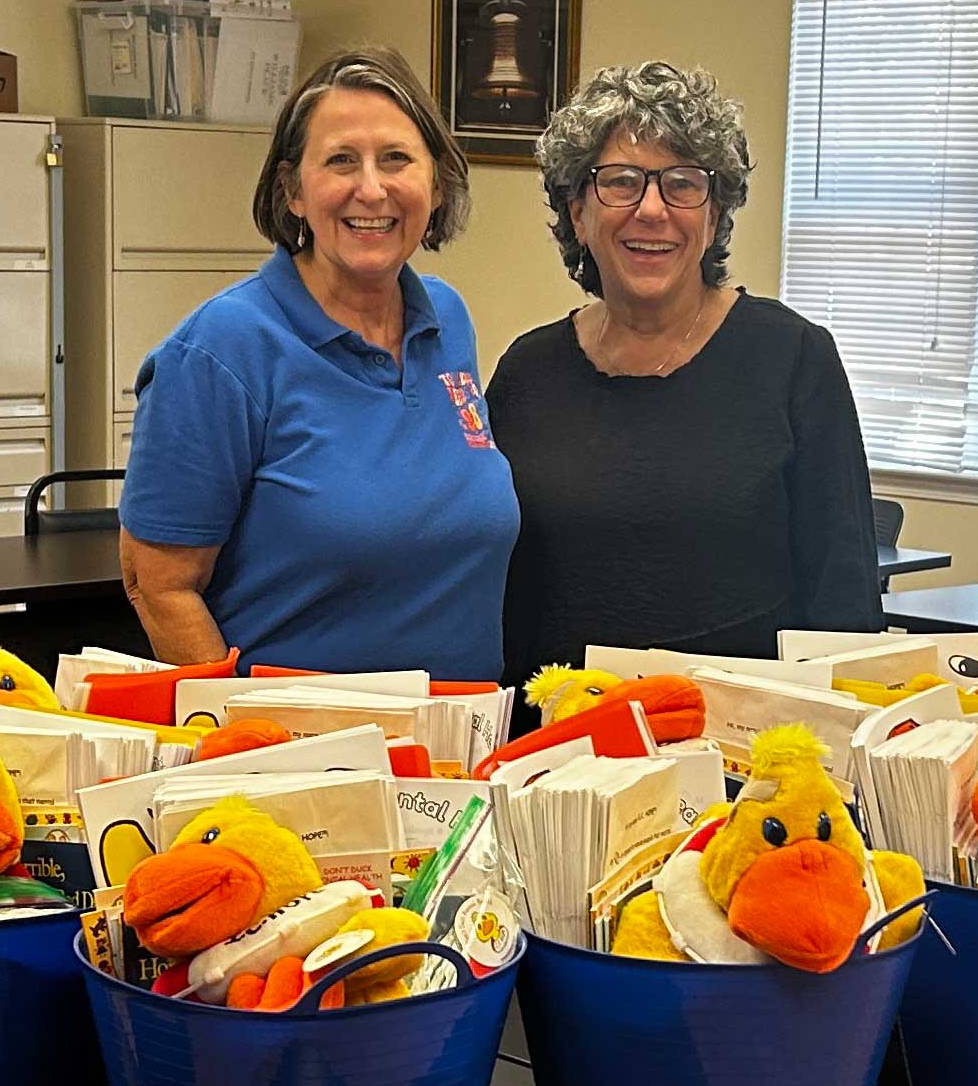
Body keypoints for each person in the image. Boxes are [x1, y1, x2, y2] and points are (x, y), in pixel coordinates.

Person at [117, 48, 518, 680]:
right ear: (292, 192)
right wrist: (247, 741)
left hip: (459, 754)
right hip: (298, 756)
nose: (371, 189)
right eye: (339, 161)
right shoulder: (221, 350)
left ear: (436, 186)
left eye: (396, 159)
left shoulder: (448, 320)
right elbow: (158, 585)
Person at [488, 61, 880, 684]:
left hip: (739, 757)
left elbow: (845, 600)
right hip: (554, 749)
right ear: (578, 213)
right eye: (619, 182)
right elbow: (498, 584)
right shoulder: (526, 373)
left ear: (716, 216)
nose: (651, 210)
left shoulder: (792, 359)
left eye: (683, 184)